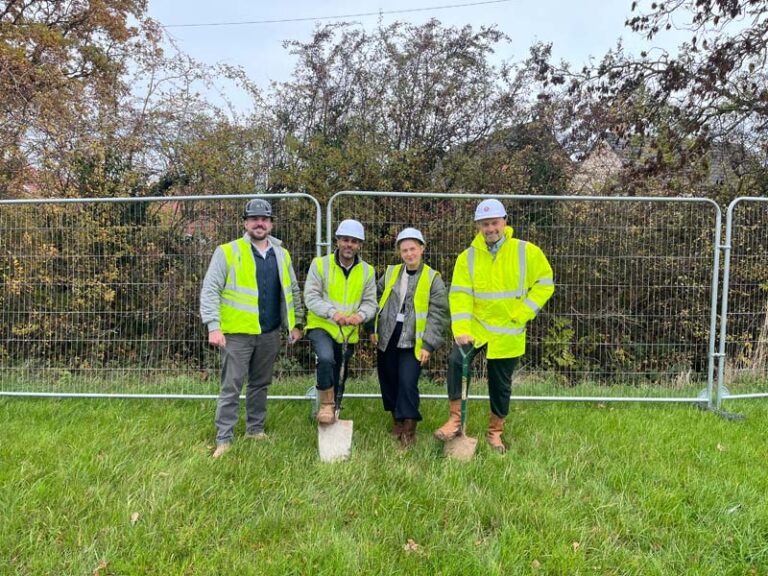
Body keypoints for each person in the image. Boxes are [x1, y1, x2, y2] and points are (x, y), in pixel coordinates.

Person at [434, 198, 555, 453]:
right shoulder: (467, 257)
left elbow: (545, 283)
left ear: (504, 222)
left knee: (500, 383)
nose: (490, 229)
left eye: (494, 223)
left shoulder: (526, 252)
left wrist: (522, 313)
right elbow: (460, 295)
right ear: (478, 226)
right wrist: (461, 329)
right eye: (485, 224)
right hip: (476, 327)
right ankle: (455, 420)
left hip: (508, 330)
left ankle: (495, 432)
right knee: (457, 362)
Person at [200, 198, 304, 458]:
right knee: (231, 386)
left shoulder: (281, 254)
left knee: (260, 384)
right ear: (245, 223)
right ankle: (224, 437)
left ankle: (255, 430)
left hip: (269, 333)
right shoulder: (227, 251)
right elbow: (210, 289)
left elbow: (292, 290)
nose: (260, 223)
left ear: (270, 224)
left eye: (265, 219)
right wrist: (214, 326)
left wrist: (296, 323)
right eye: (254, 219)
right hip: (237, 334)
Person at [372, 227, 449, 447]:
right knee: (389, 379)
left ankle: (409, 427)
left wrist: (429, 344)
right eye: (404, 250)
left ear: (422, 249)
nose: (409, 254)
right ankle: (396, 420)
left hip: (415, 339)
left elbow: (439, 314)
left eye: (413, 249)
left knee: (407, 382)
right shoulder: (390, 273)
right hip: (388, 335)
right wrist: (372, 329)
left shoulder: (433, 278)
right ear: (400, 252)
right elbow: (375, 299)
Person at [304, 219, 377, 424]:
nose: (349, 245)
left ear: (360, 245)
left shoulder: (367, 271)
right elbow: (311, 297)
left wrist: (360, 316)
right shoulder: (319, 265)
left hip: (348, 332)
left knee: (340, 373)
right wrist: (332, 313)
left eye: (354, 241)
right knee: (326, 359)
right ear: (337, 241)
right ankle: (326, 406)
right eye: (345, 240)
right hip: (322, 325)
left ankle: (334, 412)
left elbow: (371, 303)